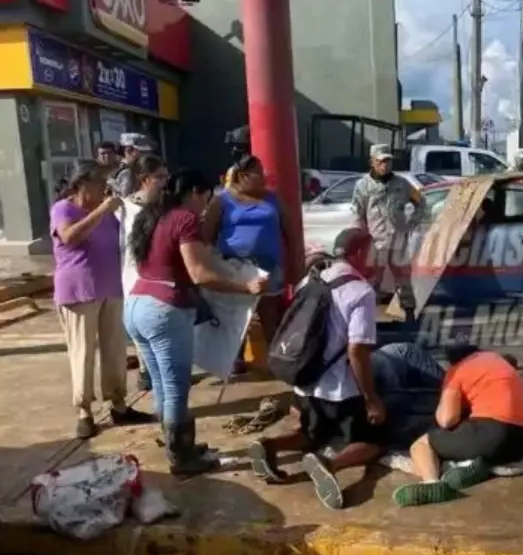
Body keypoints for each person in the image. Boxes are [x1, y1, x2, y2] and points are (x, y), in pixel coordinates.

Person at [126, 168, 268, 475]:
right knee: (176, 388)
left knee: (163, 384)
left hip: (137, 305)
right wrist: (246, 287)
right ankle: (183, 458)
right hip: (165, 310)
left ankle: (177, 445)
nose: (206, 205)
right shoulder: (184, 219)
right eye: (206, 197)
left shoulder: (152, 216)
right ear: (194, 192)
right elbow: (199, 274)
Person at [248, 228, 388, 510]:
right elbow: (357, 351)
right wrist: (371, 399)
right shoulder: (360, 292)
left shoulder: (312, 279)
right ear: (359, 253)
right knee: (373, 442)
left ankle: (269, 445)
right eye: (372, 253)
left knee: (312, 435)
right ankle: (329, 464)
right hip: (340, 388)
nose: (374, 260)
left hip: (305, 380)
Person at [51, 160, 155, 439]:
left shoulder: (109, 212)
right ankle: (84, 410)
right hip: (78, 290)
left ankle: (118, 403)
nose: (104, 188)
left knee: (115, 350)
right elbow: (70, 237)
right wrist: (100, 211)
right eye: (99, 182)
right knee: (83, 352)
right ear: (82, 183)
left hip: (111, 288)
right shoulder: (64, 208)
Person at [393, 347, 523, 507]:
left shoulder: (458, 370)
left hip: (492, 434)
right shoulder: (497, 361)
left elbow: (446, 420)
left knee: (422, 444)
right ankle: (475, 467)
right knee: (472, 439)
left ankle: (432, 484)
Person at [203, 154, 298, 372]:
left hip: (268, 267)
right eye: (258, 171)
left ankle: (277, 361)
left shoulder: (272, 199)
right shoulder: (222, 199)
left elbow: (290, 233)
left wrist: (295, 265)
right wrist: (209, 265)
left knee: (269, 316)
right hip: (234, 267)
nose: (263, 175)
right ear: (243, 175)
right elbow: (207, 234)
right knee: (235, 316)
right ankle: (233, 360)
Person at [351, 144, 426, 317]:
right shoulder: (362, 186)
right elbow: (357, 214)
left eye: (388, 161)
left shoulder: (402, 184)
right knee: (371, 283)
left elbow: (420, 203)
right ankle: (368, 319)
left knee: (404, 280)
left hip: (398, 242)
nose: (385, 165)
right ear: (372, 162)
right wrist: (361, 237)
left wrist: (412, 223)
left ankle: (409, 316)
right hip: (376, 243)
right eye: (381, 161)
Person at [119, 155, 169, 393]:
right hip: (134, 274)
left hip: (162, 276)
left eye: (165, 176)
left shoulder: (166, 206)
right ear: (144, 179)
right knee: (142, 329)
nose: (164, 181)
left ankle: (158, 372)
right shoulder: (124, 208)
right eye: (159, 177)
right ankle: (146, 372)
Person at [108, 132, 157, 198]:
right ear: (128, 151)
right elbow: (125, 197)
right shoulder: (127, 171)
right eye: (141, 152)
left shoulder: (122, 167)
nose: (145, 155)